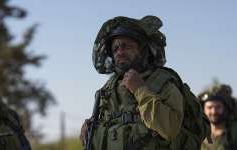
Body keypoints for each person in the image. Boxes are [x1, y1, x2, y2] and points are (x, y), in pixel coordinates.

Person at [80, 16, 209, 150]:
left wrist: (139, 90)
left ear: (143, 50)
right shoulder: (108, 90)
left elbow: (169, 128)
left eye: (126, 46)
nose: (120, 52)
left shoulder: (163, 82)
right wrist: (91, 130)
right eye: (115, 48)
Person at [199, 84, 237, 150]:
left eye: (218, 107)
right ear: (203, 109)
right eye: (209, 107)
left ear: (225, 108)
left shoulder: (234, 132)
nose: (213, 112)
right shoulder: (198, 133)